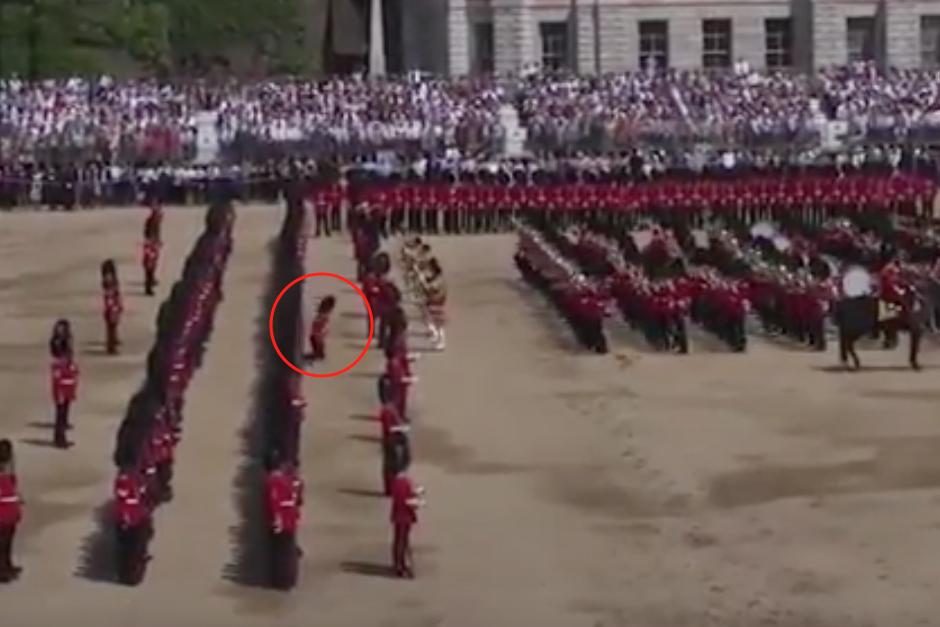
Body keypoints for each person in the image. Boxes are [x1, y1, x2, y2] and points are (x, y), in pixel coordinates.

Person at [266, 458, 303, 589]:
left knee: (282, 551)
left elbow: (274, 502)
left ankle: (282, 580)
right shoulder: (296, 480)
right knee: (288, 549)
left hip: (281, 520)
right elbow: (299, 500)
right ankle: (289, 579)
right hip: (291, 519)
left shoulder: (274, 480)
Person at [113, 458, 152, 585]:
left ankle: (127, 570)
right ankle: (131, 573)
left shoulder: (128, 477)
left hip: (130, 515)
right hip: (133, 517)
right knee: (134, 544)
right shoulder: (128, 478)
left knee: (128, 545)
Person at [390, 461, 425, 578]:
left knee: (398, 540)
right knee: (403, 542)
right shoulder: (405, 483)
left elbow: (401, 497)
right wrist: (418, 502)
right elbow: (407, 500)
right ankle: (401, 566)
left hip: (397, 516)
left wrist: (415, 493)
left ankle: (398, 564)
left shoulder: (395, 483)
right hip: (405, 516)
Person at [0, 439, 23, 582]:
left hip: (9, 515)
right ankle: (2, 571)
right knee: (2, 545)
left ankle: (7, 566)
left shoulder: (8, 474)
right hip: (3, 516)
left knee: (7, 544)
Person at [50, 342, 79, 448]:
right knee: (60, 418)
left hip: (67, 394)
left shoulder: (70, 365)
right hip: (62, 395)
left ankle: (61, 437)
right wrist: (59, 395)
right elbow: (57, 382)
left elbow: (74, 376)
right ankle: (59, 439)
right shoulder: (58, 366)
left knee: (63, 417)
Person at [101, 259, 123, 354]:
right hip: (111, 308)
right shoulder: (109, 284)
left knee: (113, 327)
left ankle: (113, 342)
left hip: (113, 306)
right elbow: (110, 298)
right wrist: (113, 307)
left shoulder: (112, 282)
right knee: (111, 328)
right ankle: (111, 347)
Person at [305, 296, 336, 362]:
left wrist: (319, 319)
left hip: (320, 327)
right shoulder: (324, 309)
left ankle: (318, 353)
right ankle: (318, 353)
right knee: (315, 339)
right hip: (319, 326)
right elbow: (320, 312)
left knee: (318, 340)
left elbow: (323, 317)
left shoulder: (326, 311)